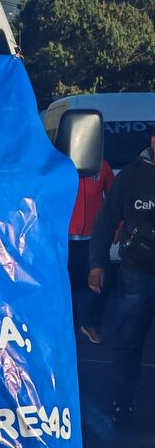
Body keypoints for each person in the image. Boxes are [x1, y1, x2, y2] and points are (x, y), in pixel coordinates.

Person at [89, 135, 155, 423]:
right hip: (136, 273)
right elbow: (105, 222)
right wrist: (97, 263)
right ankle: (122, 401)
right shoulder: (130, 176)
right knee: (129, 341)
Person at [68, 157, 114, 343]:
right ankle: (70, 326)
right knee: (67, 285)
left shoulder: (102, 165)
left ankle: (91, 324)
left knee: (99, 284)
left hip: (94, 239)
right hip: (65, 239)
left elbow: (115, 198)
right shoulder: (61, 164)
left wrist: (118, 227)